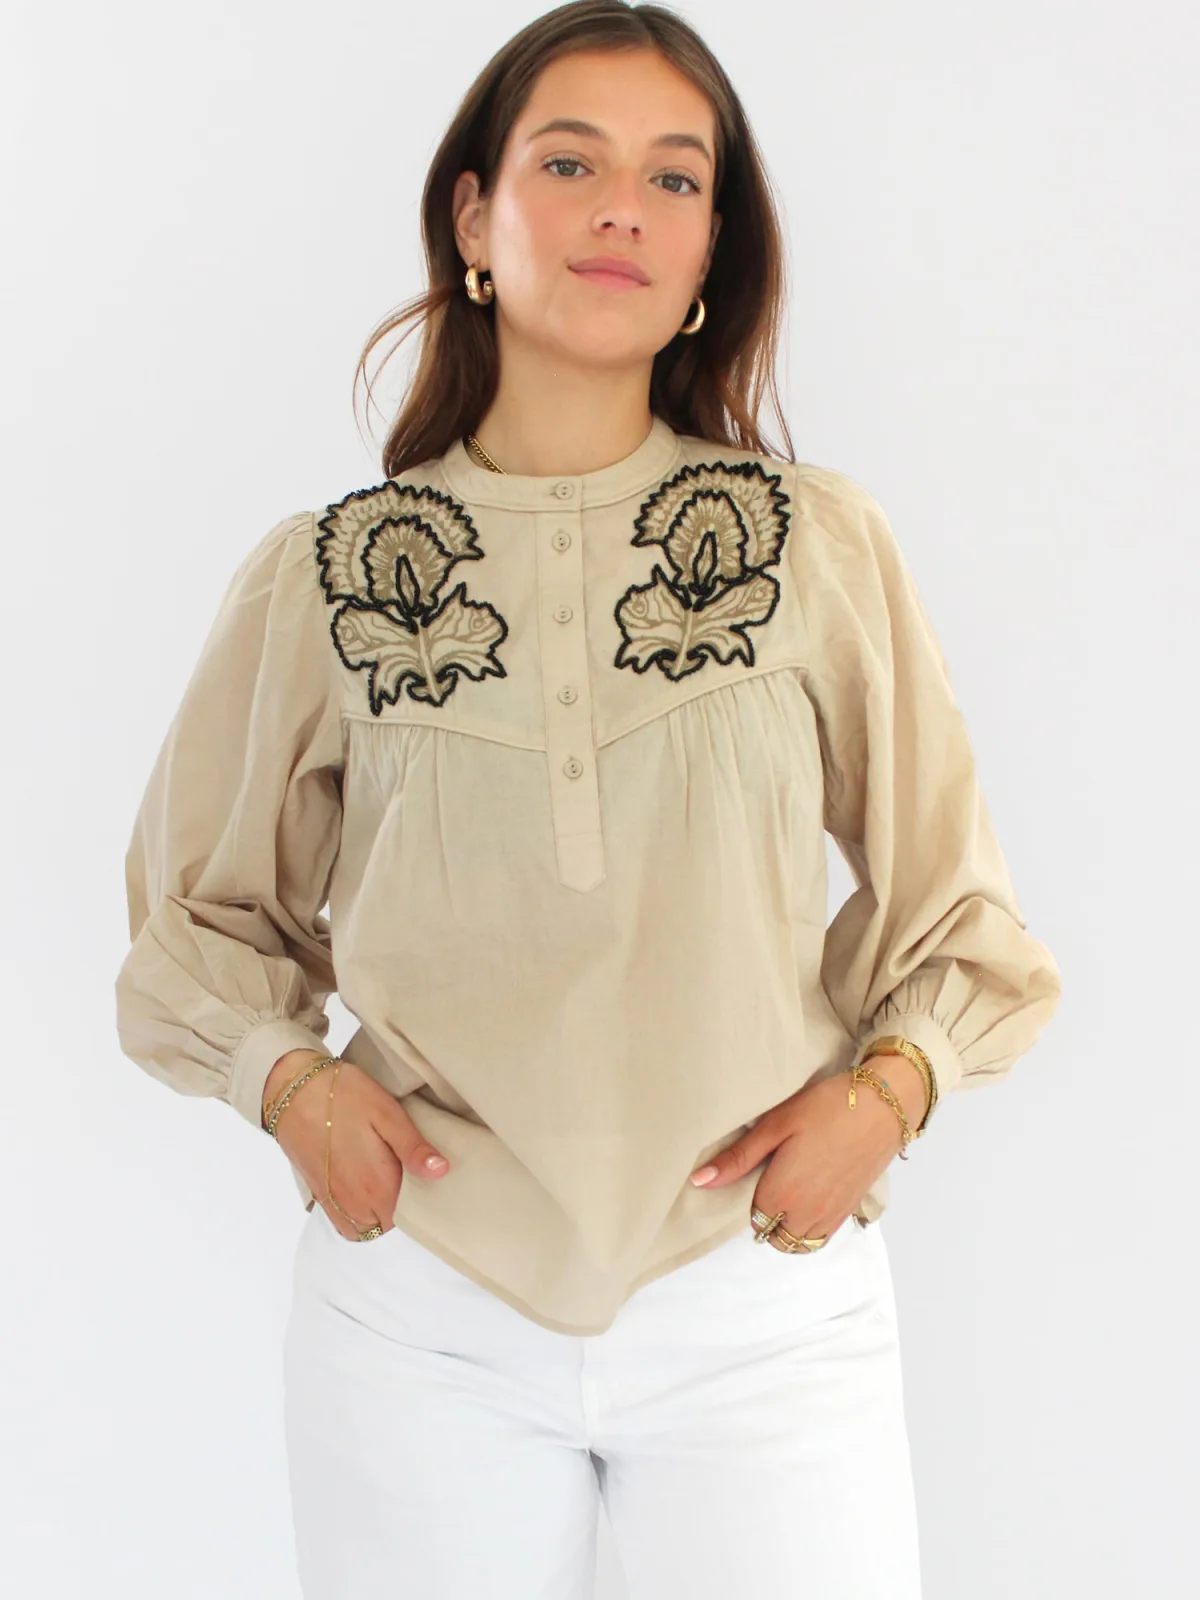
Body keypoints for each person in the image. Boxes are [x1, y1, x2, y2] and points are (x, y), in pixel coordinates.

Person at [114, 3, 1062, 1595]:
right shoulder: (328, 578)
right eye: (570, 163)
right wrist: (290, 1086)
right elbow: (194, 923)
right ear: (473, 217)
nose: (624, 208)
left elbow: (957, 904)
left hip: (762, 1298)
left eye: (674, 179)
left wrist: (886, 1096)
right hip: (422, 1307)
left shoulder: (815, 548)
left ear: (709, 256)